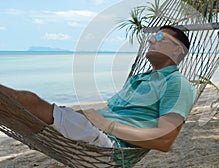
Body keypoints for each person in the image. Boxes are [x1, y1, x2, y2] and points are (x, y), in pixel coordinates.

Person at [0, 25, 196, 152]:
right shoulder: (139, 79)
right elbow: (111, 111)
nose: (150, 40)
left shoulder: (177, 84)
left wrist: (106, 125)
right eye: (152, 36)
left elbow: (164, 141)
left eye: (159, 37)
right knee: (17, 113)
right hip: (92, 130)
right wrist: (85, 115)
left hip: (107, 144)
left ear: (177, 49)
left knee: (27, 102)